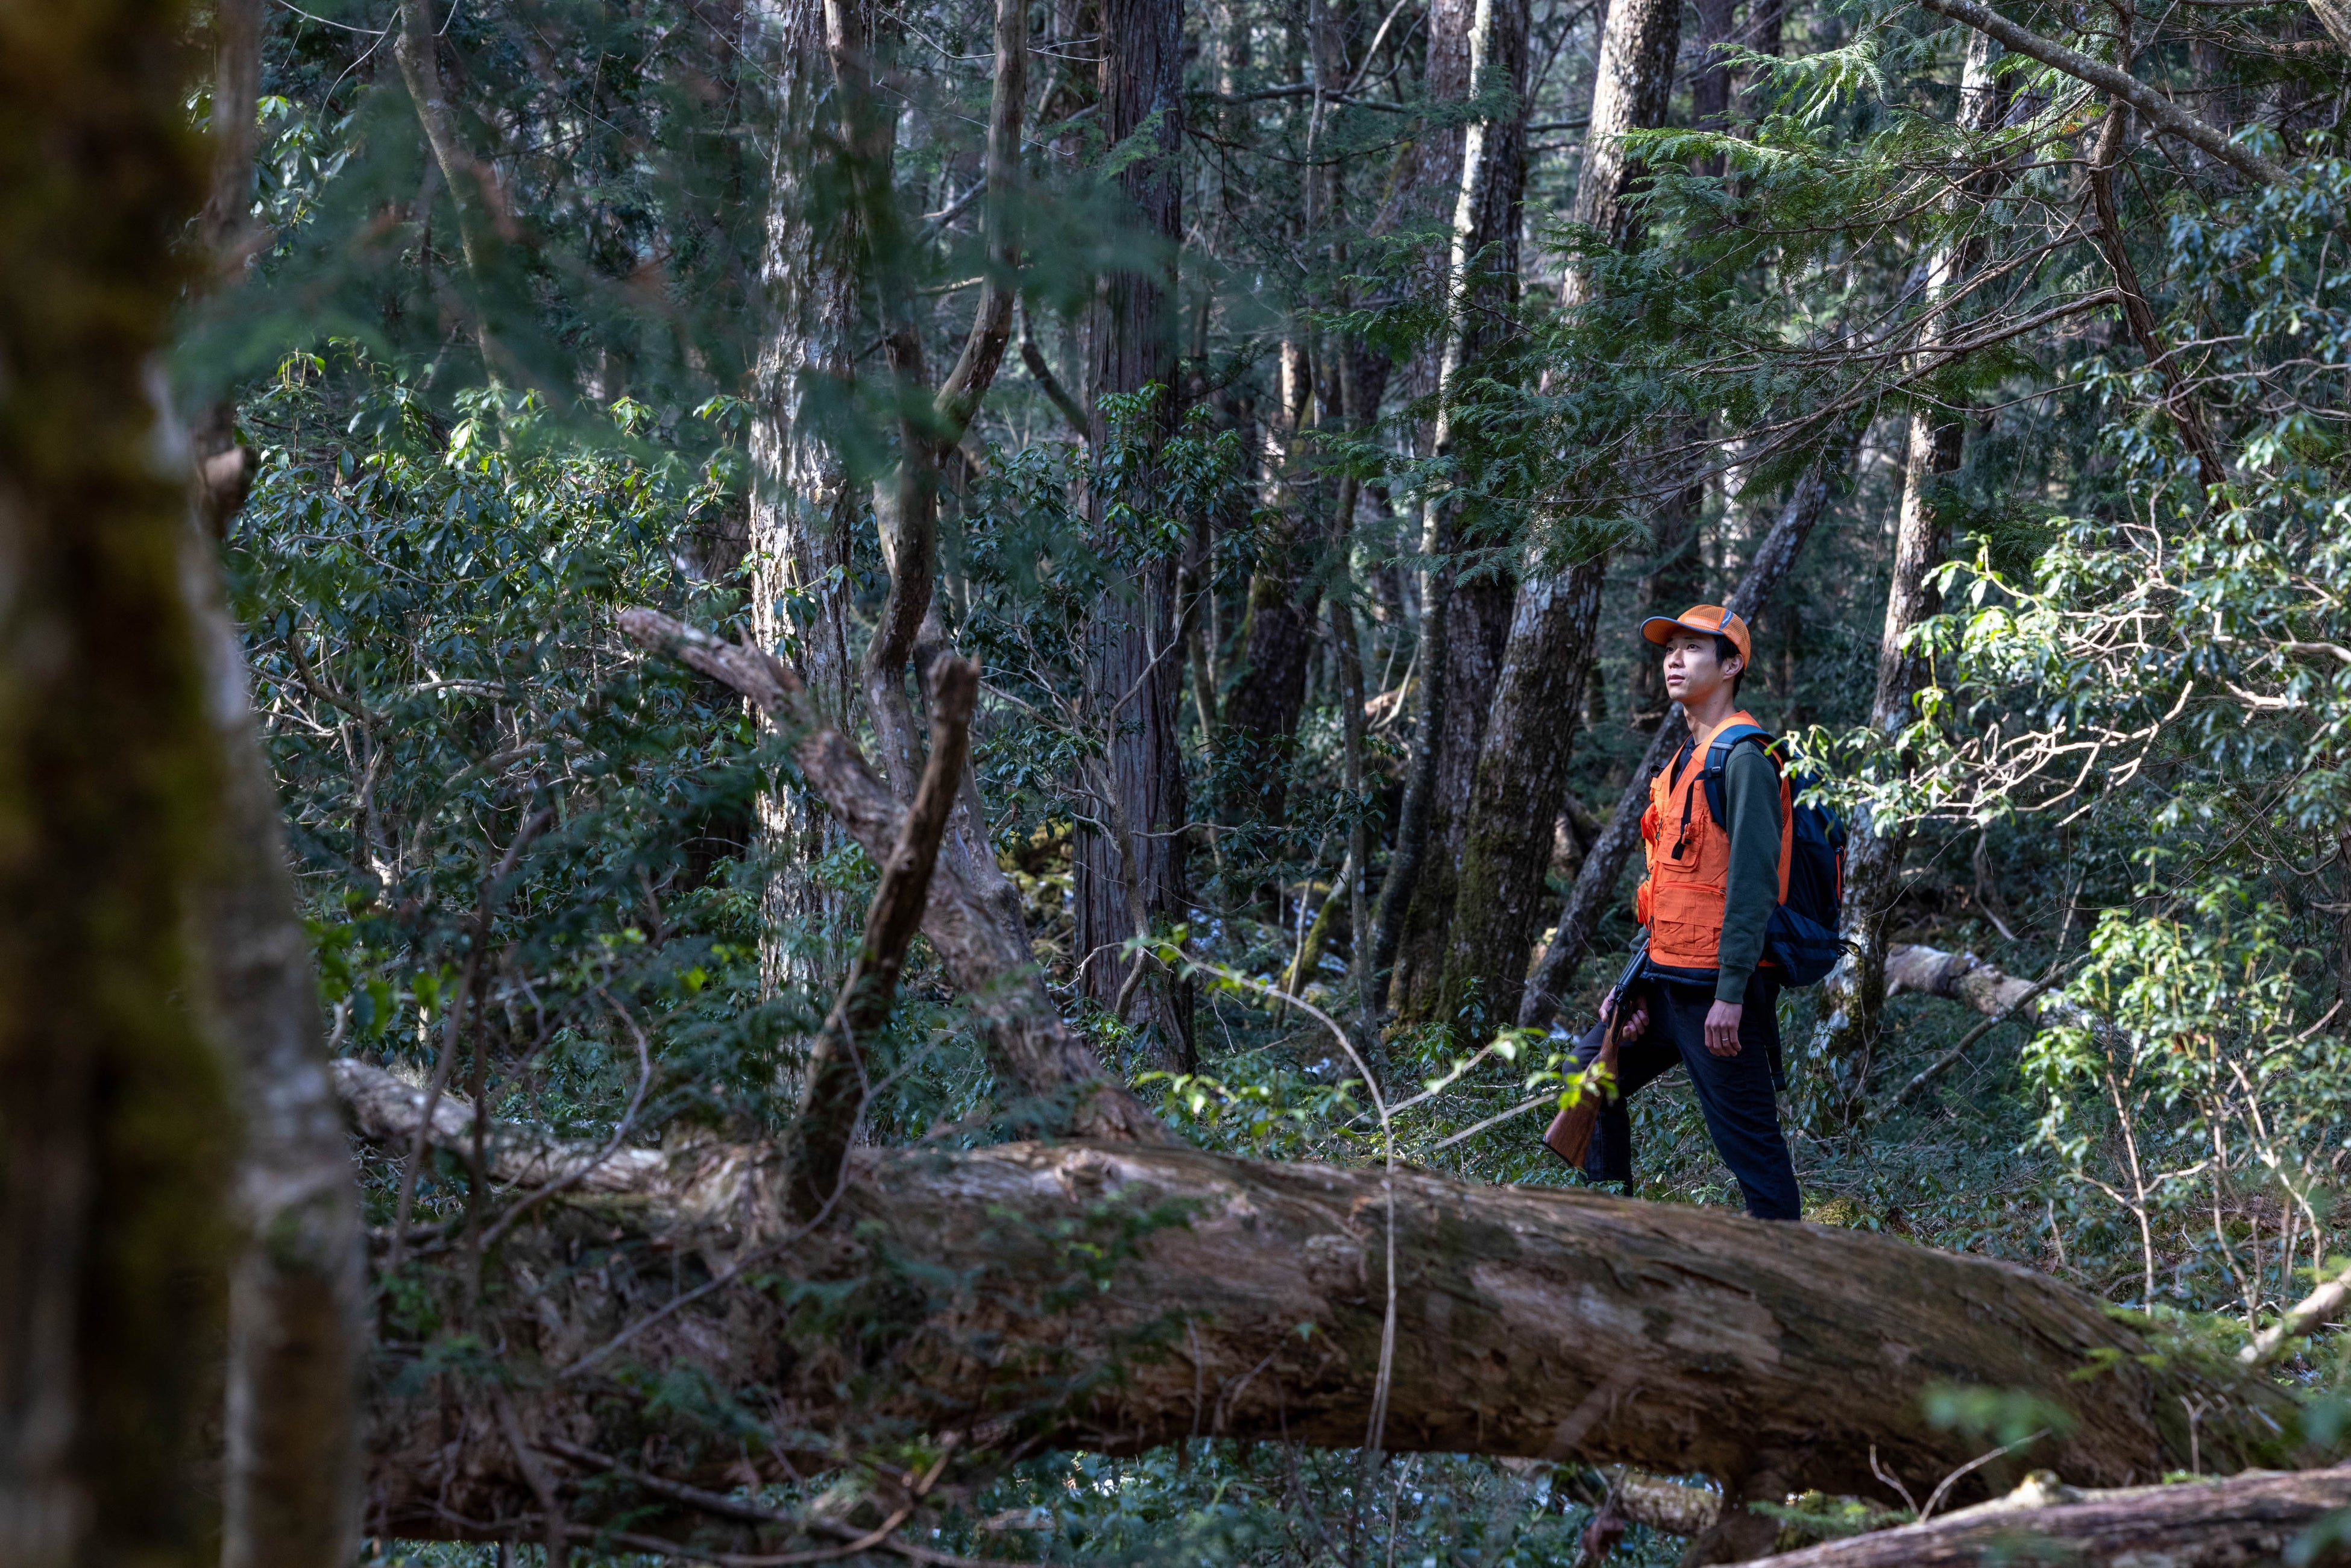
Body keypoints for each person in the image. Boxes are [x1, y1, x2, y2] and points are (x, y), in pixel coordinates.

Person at [1567, 604, 1804, 1221]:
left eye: (1693, 648)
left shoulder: (1745, 758)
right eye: (1670, 648)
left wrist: (1731, 992)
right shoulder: (1682, 762)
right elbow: (1672, 888)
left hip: (1717, 997)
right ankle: (1614, 1228)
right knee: (1588, 1072)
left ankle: (1790, 1266)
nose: (1675, 658)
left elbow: (1753, 884)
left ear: (1731, 666)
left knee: (1751, 1149)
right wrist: (1634, 985)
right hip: (1665, 982)